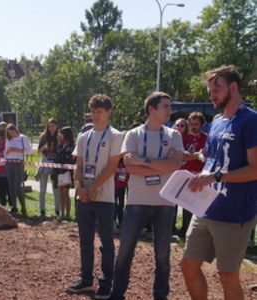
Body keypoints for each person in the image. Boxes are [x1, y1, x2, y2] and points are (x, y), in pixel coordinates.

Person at [182, 65, 257, 300]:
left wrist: (216, 176)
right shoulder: (215, 122)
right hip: (205, 207)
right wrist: (195, 166)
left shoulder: (251, 120)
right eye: (209, 90)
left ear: (233, 87)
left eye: (217, 88)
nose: (212, 94)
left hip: (234, 213)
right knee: (188, 266)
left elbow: (255, 169)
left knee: (227, 275)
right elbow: (210, 158)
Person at [109, 91, 183, 300]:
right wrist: (162, 166)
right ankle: (117, 293)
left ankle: (160, 295)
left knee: (163, 255)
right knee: (125, 252)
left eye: (170, 106)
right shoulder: (133, 134)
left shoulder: (174, 135)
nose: (170, 110)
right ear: (152, 109)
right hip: (136, 202)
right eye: (165, 106)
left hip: (165, 203)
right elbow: (130, 168)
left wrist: (144, 161)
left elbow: (176, 164)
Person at [66, 94, 123, 299]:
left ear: (109, 112)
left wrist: (94, 187)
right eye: (93, 112)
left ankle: (107, 282)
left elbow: (112, 166)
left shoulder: (115, 136)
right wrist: (79, 187)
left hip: (105, 197)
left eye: (100, 112)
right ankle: (86, 280)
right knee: (85, 240)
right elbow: (79, 165)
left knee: (106, 242)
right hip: (84, 196)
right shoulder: (84, 136)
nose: (96, 116)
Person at [177, 112, 208, 238]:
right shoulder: (185, 138)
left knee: (197, 205)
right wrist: (196, 156)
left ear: (201, 124)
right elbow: (181, 155)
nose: (194, 126)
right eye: (192, 124)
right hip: (186, 173)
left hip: (200, 174)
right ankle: (184, 230)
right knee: (185, 203)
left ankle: (196, 232)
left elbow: (205, 156)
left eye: (196, 124)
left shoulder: (207, 138)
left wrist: (192, 156)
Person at [5, 123, 31, 215]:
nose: (11, 134)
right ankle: (13, 207)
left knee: (17, 186)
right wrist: (7, 152)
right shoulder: (8, 139)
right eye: (9, 133)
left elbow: (28, 151)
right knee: (11, 186)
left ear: (16, 130)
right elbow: (5, 153)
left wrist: (16, 149)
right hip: (9, 162)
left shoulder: (23, 138)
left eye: (12, 132)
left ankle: (23, 207)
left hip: (18, 163)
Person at [36, 118, 60, 217]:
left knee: (56, 189)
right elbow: (38, 151)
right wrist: (43, 148)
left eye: (53, 126)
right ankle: (42, 209)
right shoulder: (43, 137)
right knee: (43, 188)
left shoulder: (59, 137)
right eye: (49, 126)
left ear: (56, 126)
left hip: (55, 164)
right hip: (45, 162)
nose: (51, 128)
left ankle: (57, 210)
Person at [51, 126, 76, 220]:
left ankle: (68, 215)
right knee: (60, 193)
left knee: (66, 193)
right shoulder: (61, 145)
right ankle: (62, 214)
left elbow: (70, 159)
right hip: (59, 172)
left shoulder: (72, 146)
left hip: (67, 172)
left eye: (61, 133)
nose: (59, 135)